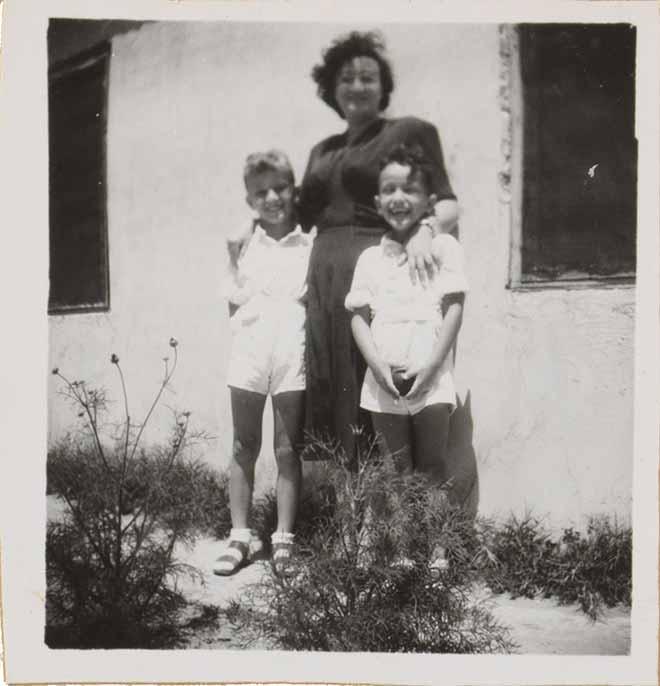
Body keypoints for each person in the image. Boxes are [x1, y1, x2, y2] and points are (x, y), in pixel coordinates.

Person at [297, 31, 459, 459]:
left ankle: (382, 509)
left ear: (383, 86)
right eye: (346, 78)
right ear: (331, 88)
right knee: (331, 384)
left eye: (368, 77)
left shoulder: (409, 132)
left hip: (382, 268)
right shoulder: (321, 150)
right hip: (326, 278)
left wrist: (425, 228)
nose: (357, 86)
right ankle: (345, 511)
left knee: (378, 382)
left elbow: (446, 203)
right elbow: (294, 218)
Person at [345, 143, 468, 570]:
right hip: (384, 380)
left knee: (433, 464)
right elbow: (358, 318)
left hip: (431, 375)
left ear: (429, 201)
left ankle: (435, 551)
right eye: (390, 189)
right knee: (395, 469)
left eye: (410, 189)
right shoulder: (369, 259)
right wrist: (377, 368)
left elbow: (453, 309)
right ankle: (399, 553)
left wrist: (433, 366)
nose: (399, 198)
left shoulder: (446, 248)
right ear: (378, 202)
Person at [214, 150, 315, 576]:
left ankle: (284, 541)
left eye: (280, 187)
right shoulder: (242, 245)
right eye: (261, 191)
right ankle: (239, 536)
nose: (272, 197)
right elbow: (233, 302)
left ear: (293, 189)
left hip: (292, 351)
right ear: (250, 198)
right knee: (244, 445)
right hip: (251, 353)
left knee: (288, 450)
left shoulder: (309, 242)